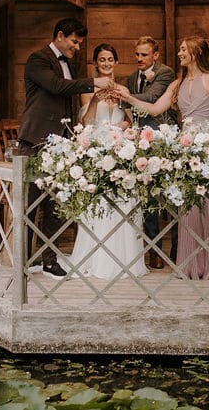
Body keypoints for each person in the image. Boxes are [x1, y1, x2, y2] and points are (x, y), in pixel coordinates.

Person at [117, 37, 209, 280]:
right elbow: (154, 109)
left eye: (184, 49)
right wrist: (129, 98)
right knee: (189, 206)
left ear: (196, 53)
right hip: (186, 147)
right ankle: (192, 263)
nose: (180, 53)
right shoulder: (176, 83)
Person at [17, 18, 113, 279]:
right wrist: (94, 84)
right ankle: (22, 264)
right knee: (29, 204)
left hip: (61, 145)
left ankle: (49, 260)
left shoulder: (68, 64)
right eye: (74, 41)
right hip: (36, 141)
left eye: (79, 43)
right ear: (60, 36)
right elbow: (57, 87)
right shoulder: (38, 59)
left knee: (55, 205)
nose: (77, 47)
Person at [67, 44, 147, 280]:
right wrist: (95, 101)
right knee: (100, 202)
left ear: (116, 62)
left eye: (110, 59)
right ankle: (98, 259)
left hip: (121, 149)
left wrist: (124, 125)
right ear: (95, 63)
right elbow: (87, 123)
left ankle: (126, 259)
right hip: (98, 149)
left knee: (124, 201)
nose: (106, 63)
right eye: (101, 59)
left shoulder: (123, 89)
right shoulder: (87, 89)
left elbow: (132, 120)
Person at [123, 36, 178, 269]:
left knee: (173, 195)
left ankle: (177, 249)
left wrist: (123, 95)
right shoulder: (130, 78)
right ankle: (154, 250)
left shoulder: (166, 73)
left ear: (155, 55)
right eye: (137, 54)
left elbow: (152, 99)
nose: (139, 59)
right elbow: (130, 110)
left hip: (165, 140)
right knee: (148, 197)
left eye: (144, 55)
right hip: (142, 142)